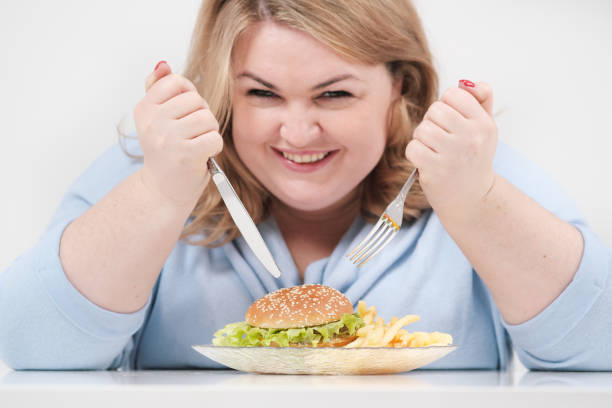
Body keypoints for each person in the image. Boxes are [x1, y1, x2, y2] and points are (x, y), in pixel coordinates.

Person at [0, 0, 610, 371]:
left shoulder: (473, 172)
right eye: (261, 93)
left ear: (400, 86)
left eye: (335, 93)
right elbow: (31, 346)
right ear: (223, 88)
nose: (297, 131)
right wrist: (160, 196)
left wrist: (477, 206)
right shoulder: (156, 171)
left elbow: (599, 349)